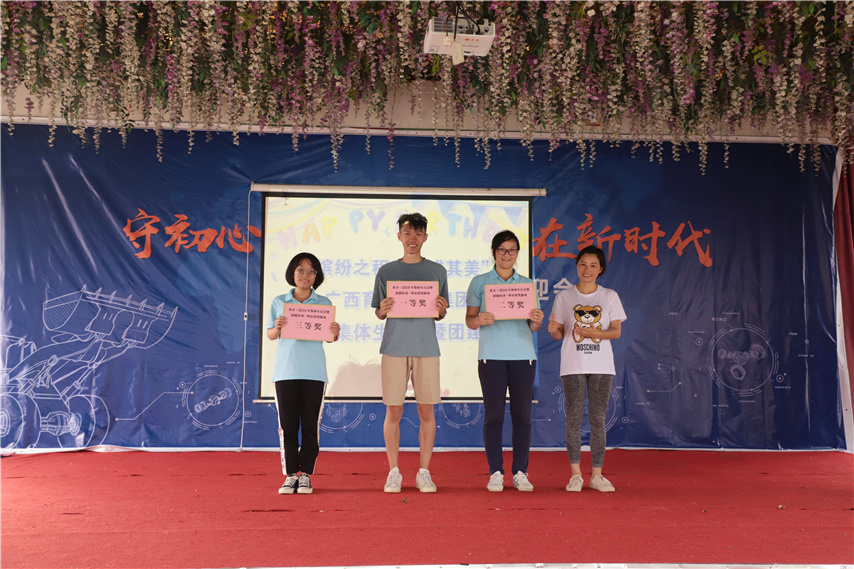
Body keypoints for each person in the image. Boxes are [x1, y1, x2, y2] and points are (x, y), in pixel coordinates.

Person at [372, 213, 449, 493]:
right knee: (393, 409)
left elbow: (441, 313)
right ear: (399, 237)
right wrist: (382, 309)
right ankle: (393, 472)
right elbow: (379, 312)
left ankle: (424, 472)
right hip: (394, 347)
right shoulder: (386, 271)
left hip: (426, 348)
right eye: (407, 233)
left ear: (425, 237)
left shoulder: (437, 271)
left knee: (426, 409)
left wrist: (441, 309)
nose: (412, 238)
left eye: (418, 233)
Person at [465, 230, 544, 492]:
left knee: (522, 416)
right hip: (491, 357)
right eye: (502, 249)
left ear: (518, 253)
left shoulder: (527, 284)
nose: (507, 254)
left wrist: (537, 321)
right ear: (494, 252)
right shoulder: (480, 282)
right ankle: (495, 472)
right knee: (494, 416)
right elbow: (470, 320)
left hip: (523, 357)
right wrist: (479, 319)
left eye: (512, 250)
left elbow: (532, 326)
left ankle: (521, 471)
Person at [548, 245, 626, 493]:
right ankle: (575, 476)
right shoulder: (564, 297)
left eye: (593, 265)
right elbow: (560, 333)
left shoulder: (609, 296)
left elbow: (616, 331)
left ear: (600, 269)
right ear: (577, 266)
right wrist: (554, 330)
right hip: (573, 365)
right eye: (583, 264)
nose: (587, 269)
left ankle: (597, 476)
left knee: (597, 420)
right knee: (573, 419)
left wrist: (595, 334)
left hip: (602, 366)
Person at [267, 252, 340, 495]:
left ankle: (306, 475)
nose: (305, 275)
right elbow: (270, 334)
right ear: (292, 272)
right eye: (300, 269)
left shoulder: (324, 303)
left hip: (314, 372)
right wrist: (277, 328)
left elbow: (330, 338)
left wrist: (335, 332)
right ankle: (290, 475)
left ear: (317, 276)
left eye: (311, 271)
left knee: (310, 426)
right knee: (287, 426)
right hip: (285, 371)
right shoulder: (279, 302)